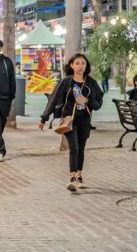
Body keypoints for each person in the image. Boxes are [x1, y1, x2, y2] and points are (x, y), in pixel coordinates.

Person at [39, 53, 104, 191]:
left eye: (83, 63)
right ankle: (72, 178)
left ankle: (79, 176)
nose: (81, 66)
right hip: (69, 119)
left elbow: (98, 104)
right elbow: (54, 99)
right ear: (72, 65)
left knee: (81, 148)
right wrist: (44, 118)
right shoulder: (66, 81)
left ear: (86, 66)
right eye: (78, 63)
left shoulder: (91, 83)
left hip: (85, 120)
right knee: (74, 148)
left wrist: (87, 100)